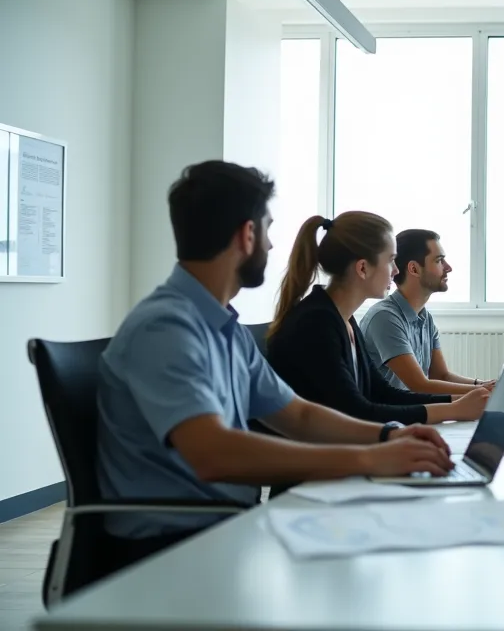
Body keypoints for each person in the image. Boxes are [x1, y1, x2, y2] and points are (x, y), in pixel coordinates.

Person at [96, 161, 454, 571]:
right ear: (247, 235)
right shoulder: (166, 329)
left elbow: (296, 414)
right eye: (267, 229)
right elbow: (213, 453)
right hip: (169, 552)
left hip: (224, 529)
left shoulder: (222, 327)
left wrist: (388, 437)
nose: (269, 245)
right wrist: (368, 458)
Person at [265, 212, 489, 426]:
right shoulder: (317, 323)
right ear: (363, 268)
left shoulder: (344, 319)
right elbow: (356, 411)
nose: (395, 270)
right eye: (391, 260)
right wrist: (453, 409)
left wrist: (457, 403)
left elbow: (381, 392)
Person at [360, 229, 494, 395]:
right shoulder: (384, 318)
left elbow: (440, 375)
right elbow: (419, 385)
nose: (448, 268)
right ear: (414, 269)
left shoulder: (424, 317)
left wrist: (485, 384)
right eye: (439, 261)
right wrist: (485, 391)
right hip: (391, 417)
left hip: (412, 411)